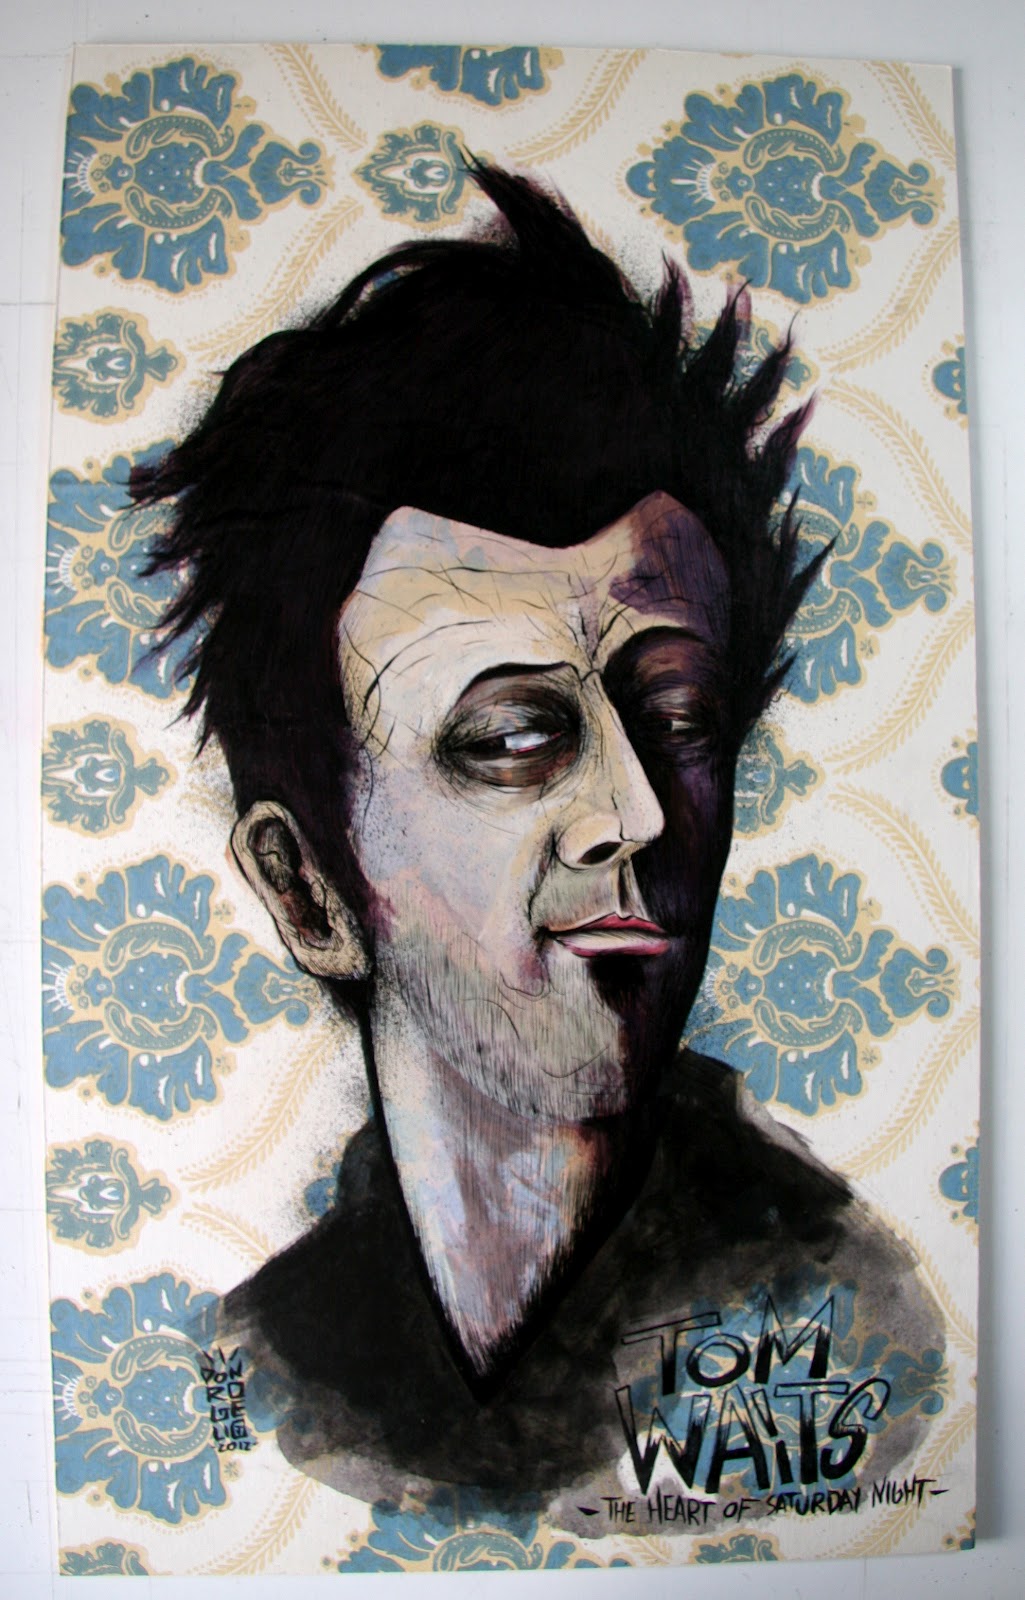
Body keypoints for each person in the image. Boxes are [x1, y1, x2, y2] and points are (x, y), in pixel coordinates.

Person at [134, 164, 942, 1533]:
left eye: (676, 716)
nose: (636, 809)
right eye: (510, 737)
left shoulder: (841, 1310)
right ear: (308, 890)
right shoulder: (261, 1369)